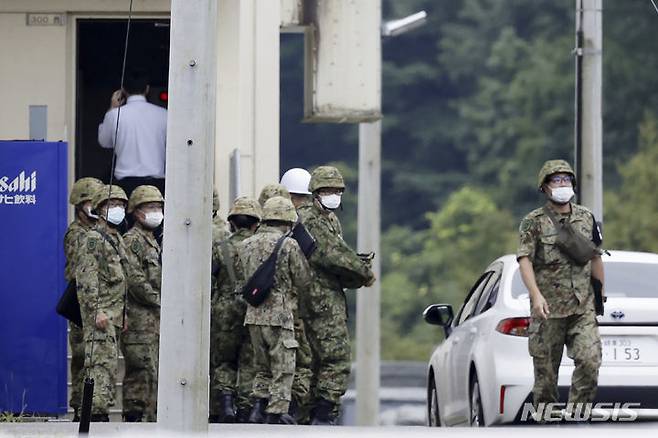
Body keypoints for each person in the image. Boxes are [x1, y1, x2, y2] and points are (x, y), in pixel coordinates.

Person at [517, 159, 604, 420]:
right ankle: (546, 422)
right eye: (556, 180)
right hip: (548, 310)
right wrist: (535, 296)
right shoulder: (533, 222)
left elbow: (595, 257)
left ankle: (579, 416)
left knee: (590, 361)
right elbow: (525, 260)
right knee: (545, 378)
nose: (562, 184)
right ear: (544, 187)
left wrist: (600, 297)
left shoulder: (586, 217)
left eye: (566, 179)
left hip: (582, 306)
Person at [297, 166, 376, 425]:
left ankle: (316, 413)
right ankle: (323, 412)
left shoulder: (329, 219)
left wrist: (355, 265)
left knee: (318, 360)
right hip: (318, 299)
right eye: (327, 191)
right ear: (315, 193)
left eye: (337, 191)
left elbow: (339, 253)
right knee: (336, 357)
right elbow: (331, 255)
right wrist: (363, 271)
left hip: (327, 295)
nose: (333, 195)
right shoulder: (309, 218)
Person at [240, 196, 312, 425]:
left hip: (253, 315)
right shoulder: (288, 245)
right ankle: (277, 411)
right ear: (288, 220)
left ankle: (257, 407)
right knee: (284, 366)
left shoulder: (246, 244)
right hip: (279, 316)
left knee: (262, 367)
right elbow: (303, 279)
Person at [76, 184, 130, 422]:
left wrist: (123, 314)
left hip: (114, 315)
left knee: (108, 367)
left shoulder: (117, 239)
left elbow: (121, 281)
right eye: (111, 204)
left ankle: (100, 413)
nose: (116, 209)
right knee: (98, 367)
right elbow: (87, 278)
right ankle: (94, 416)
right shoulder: (93, 239)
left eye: (120, 205)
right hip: (100, 314)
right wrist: (95, 311)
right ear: (99, 208)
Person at [210, 196, 262, 423]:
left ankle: (226, 405)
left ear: (231, 223)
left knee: (224, 360)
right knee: (249, 361)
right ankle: (245, 409)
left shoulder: (221, 248)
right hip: (253, 309)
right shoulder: (260, 247)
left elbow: (209, 277)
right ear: (255, 224)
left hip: (224, 309)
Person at [121, 185, 164, 422]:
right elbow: (135, 280)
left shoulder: (151, 240)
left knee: (153, 375)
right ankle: (134, 421)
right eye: (150, 207)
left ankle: (149, 421)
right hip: (139, 323)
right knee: (141, 375)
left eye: (158, 207)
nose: (156, 211)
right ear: (136, 212)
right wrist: (161, 302)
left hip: (153, 323)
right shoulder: (133, 241)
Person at [64, 177, 104, 421]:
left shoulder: (95, 232)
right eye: (92, 202)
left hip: (93, 299)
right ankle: (81, 406)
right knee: (82, 356)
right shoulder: (77, 233)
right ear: (80, 205)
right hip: (81, 301)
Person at [98, 69, 167, 197]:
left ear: (123, 90)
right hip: (157, 184)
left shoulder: (114, 115)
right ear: (147, 89)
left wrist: (112, 108)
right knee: (156, 216)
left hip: (126, 184)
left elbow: (104, 142)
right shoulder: (164, 114)